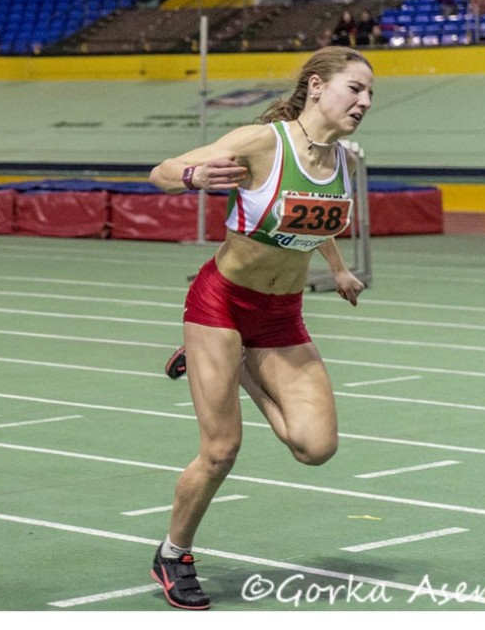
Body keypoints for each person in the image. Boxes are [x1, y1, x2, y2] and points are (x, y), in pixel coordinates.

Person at [146, 46, 371, 610]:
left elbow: (314, 214)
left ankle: (242, 365)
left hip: (281, 314)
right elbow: (161, 173)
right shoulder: (262, 143)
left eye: (370, 94)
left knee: (314, 447)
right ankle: (173, 554)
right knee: (221, 451)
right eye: (355, 89)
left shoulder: (343, 159)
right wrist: (194, 175)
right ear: (317, 86)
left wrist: (338, 269)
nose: (364, 101)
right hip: (221, 304)